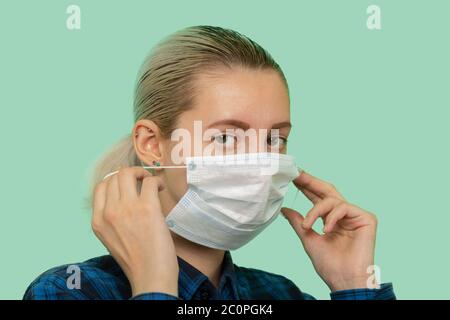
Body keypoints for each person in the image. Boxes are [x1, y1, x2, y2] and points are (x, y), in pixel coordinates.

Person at [23, 25, 395, 300]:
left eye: (274, 139)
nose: (261, 162)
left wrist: (355, 286)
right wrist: (155, 284)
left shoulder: (280, 294)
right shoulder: (69, 291)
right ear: (152, 144)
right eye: (226, 137)